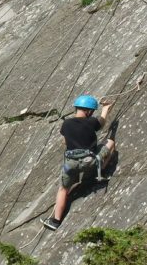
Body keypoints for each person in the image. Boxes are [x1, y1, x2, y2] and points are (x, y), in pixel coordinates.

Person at [43, 94, 116, 230]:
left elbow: (64, 141)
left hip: (71, 164)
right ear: (88, 111)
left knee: (63, 190)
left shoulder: (66, 124)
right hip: (90, 162)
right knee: (110, 142)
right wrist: (106, 108)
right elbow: (102, 122)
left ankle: (55, 221)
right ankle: (99, 172)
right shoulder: (91, 122)